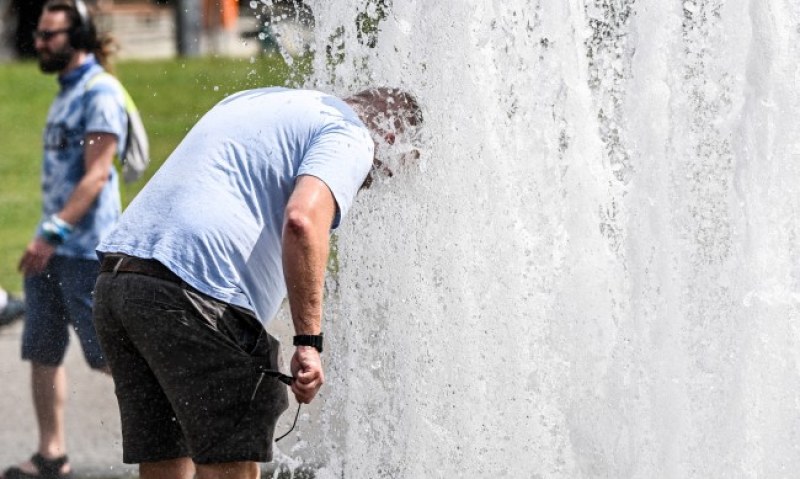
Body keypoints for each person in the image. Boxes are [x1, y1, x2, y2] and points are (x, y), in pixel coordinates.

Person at [92, 86, 422, 479]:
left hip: (120, 282)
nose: (374, 180)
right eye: (391, 167)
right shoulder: (349, 134)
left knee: (165, 461)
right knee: (231, 466)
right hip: (194, 296)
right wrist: (308, 343)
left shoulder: (259, 101)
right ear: (390, 135)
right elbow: (302, 221)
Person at [2, 1, 128, 478]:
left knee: (110, 358)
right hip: (50, 247)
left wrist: (51, 235)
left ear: (78, 38)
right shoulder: (67, 91)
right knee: (41, 350)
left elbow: (96, 177)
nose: (39, 43)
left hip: (84, 250)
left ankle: (177, 437)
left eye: (50, 36)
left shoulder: (100, 93)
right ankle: (50, 454)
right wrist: (46, 237)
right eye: (39, 34)